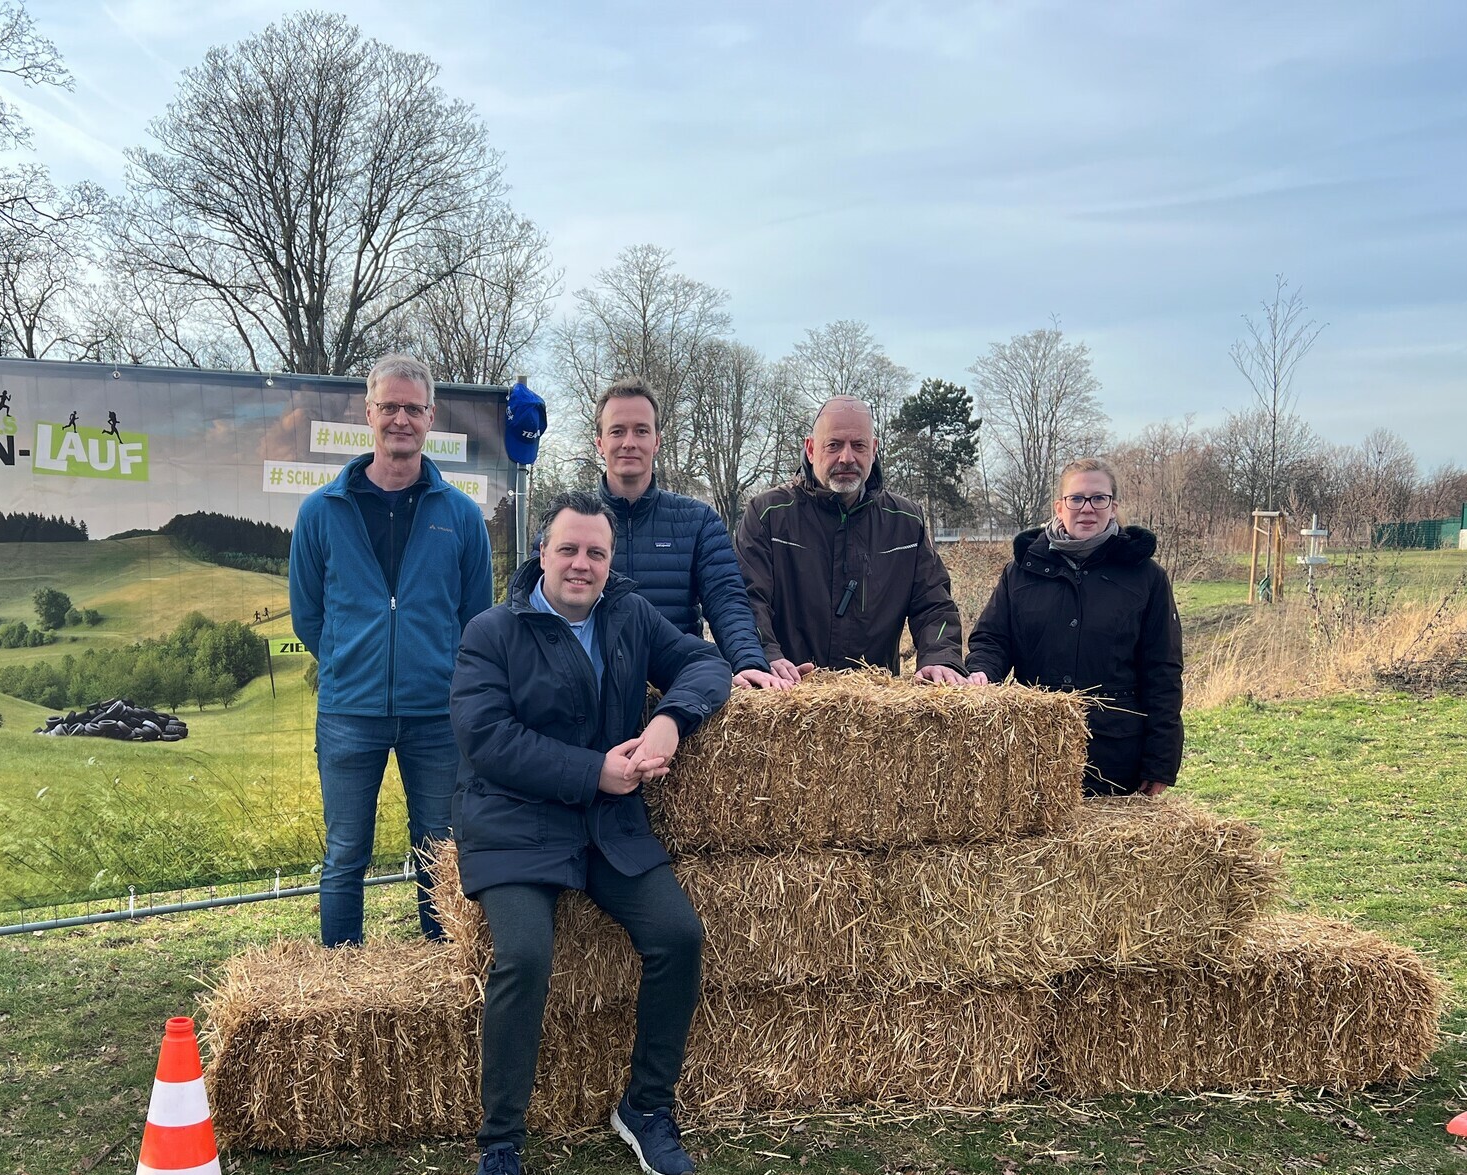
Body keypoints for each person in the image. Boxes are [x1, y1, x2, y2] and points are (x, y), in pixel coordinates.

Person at [450, 492, 732, 1175]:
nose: (582, 564)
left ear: (611, 562)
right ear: (541, 553)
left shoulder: (629, 615)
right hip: (515, 823)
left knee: (679, 937)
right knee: (524, 956)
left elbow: (706, 663)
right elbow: (487, 739)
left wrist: (670, 719)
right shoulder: (492, 631)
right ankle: (500, 1146)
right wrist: (591, 771)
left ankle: (646, 1106)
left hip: (607, 825)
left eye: (597, 553)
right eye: (569, 549)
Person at [290, 352, 494, 945]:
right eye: (389, 407)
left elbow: (475, 619)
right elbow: (308, 615)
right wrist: (350, 662)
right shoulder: (321, 511)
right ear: (368, 413)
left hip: (436, 714)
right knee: (344, 854)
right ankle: (340, 976)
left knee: (440, 852)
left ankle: (441, 971)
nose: (400, 419)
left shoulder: (461, 515)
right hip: (348, 713)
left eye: (413, 408)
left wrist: (433, 668)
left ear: (430, 416)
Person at [963, 458, 1183, 796]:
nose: (1087, 508)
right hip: (1032, 751)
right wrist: (981, 672)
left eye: (1099, 498)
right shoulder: (1021, 571)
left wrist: (1160, 761)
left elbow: (1163, 672)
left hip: (1116, 758)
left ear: (1113, 507)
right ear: (1060, 507)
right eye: (1076, 498)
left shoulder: (1146, 577)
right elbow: (992, 640)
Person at [549, 378, 784, 692]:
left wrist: (748, 663)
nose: (629, 442)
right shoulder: (564, 522)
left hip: (677, 689)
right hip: (587, 691)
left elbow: (727, 602)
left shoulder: (698, 521)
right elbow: (536, 606)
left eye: (641, 431)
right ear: (600, 443)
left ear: (657, 441)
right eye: (617, 431)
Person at [735, 396, 966, 684]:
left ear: (874, 449)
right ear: (811, 449)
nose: (847, 457)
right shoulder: (768, 514)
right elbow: (746, 598)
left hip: (877, 699)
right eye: (834, 445)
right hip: (787, 687)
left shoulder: (906, 521)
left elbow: (934, 604)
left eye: (858, 445)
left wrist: (940, 657)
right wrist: (763, 654)